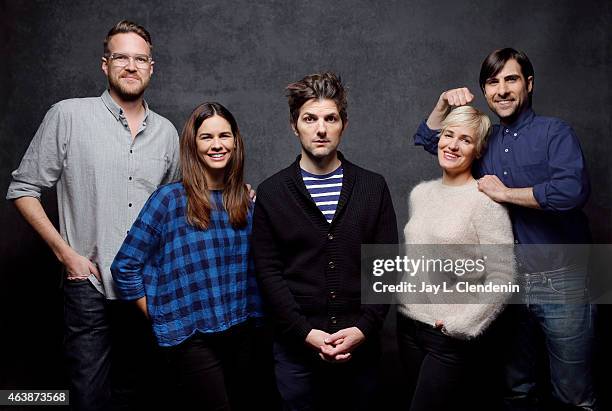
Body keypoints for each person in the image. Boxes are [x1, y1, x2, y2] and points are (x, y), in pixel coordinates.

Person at [6, 21, 179, 410]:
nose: (131, 66)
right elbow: (23, 189)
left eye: (140, 59)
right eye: (121, 57)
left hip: (146, 291)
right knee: (89, 397)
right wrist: (66, 255)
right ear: (105, 65)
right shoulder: (69, 116)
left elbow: (179, 206)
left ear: (151, 67)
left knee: (141, 393)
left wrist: (238, 194)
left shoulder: (168, 134)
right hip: (89, 285)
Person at [414, 48, 596, 410]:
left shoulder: (554, 132)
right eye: (492, 82)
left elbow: (572, 191)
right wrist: (441, 106)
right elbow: (431, 139)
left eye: (510, 79)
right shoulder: (484, 140)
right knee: (517, 389)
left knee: (573, 395)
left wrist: (505, 193)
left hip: (562, 279)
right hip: (507, 285)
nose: (502, 90)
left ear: (528, 84)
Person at [252, 72, 398, 410]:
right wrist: (306, 333)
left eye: (330, 118)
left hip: (362, 351)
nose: (321, 129)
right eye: (310, 118)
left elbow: (386, 267)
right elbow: (269, 274)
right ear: (294, 125)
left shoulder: (372, 187)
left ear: (343, 124)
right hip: (296, 355)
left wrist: (363, 328)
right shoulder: (272, 193)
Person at [111, 102, 263, 410]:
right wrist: (159, 313)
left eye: (224, 136)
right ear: (193, 145)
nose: (217, 145)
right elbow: (124, 266)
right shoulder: (169, 200)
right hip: (192, 336)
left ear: (235, 141)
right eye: (207, 137)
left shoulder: (247, 203)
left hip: (243, 328)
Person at [399, 105, 514, 411]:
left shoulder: (485, 202)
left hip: (448, 336)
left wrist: (462, 323)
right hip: (409, 326)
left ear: (478, 150)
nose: (452, 144)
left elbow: (503, 275)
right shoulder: (420, 194)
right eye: (448, 134)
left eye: (465, 139)